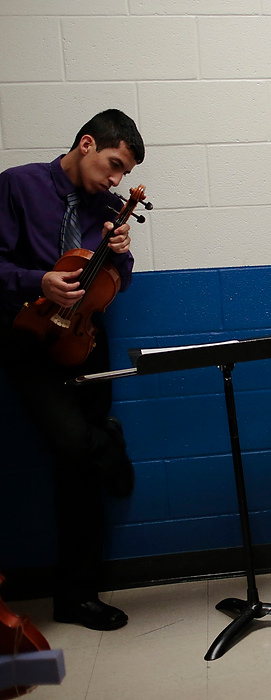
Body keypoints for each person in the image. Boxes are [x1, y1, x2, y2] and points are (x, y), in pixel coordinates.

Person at [0, 109, 145, 631]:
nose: (115, 181)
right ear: (86, 143)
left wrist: (122, 255)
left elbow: (116, 281)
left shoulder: (109, 207)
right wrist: (37, 281)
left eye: (124, 175)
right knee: (72, 445)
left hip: (85, 340)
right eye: (113, 165)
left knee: (75, 474)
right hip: (29, 337)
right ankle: (105, 442)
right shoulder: (18, 186)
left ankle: (77, 596)